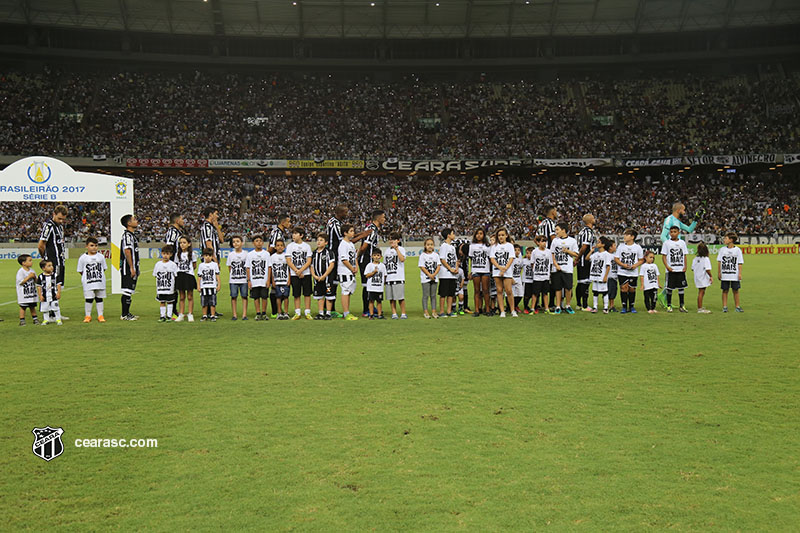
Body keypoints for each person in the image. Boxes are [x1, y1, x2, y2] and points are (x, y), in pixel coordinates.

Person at [357, 209, 386, 317]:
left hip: (368, 260)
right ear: (378, 218)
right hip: (366, 261)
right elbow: (364, 246)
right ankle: (366, 309)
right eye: (383, 217)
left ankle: (371, 307)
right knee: (366, 285)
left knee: (371, 285)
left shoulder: (373, 229)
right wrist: (358, 256)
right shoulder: (371, 230)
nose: (384, 219)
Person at [77, 236, 107, 323]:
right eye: (92, 245)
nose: (94, 247)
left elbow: (104, 268)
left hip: (99, 282)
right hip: (88, 282)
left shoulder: (101, 256)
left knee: (99, 298)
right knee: (89, 299)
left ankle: (100, 315)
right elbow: (80, 270)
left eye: (96, 245)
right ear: (86, 246)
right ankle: (88, 316)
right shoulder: (83, 258)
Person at [550, 222, 579, 314]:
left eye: (557, 229)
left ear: (563, 230)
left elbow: (576, 254)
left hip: (567, 268)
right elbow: (552, 254)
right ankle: (558, 306)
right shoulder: (555, 241)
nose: (556, 232)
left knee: (568, 288)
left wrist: (567, 251)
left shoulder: (572, 241)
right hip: (557, 268)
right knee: (558, 288)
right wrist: (556, 265)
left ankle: (568, 305)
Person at [286, 226, 313, 320]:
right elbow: (289, 261)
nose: (293, 235)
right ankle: (297, 312)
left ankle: (307, 312)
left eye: (296, 233)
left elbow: (309, 261)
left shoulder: (307, 246)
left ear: (301, 235)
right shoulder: (290, 246)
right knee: (296, 294)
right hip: (294, 274)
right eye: (293, 233)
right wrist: (297, 271)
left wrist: (301, 270)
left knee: (307, 293)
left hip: (306, 273)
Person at [326, 204, 348, 317]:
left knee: (334, 282)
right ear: (339, 212)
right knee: (330, 282)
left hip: (335, 254)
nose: (346, 214)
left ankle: (330, 307)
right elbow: (342, 239)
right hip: (332, 254)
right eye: (345, 212)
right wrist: (361, 235)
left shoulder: (336, 222)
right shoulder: (334, 223)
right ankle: (328, 308)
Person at [615, 228, 644, 314]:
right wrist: (623, 265)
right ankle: (624, 306)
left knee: (631, 289)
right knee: (624, 288)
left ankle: (631, 306)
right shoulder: (621, 246)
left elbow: (641, 260)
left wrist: (635, 265)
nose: (624, 236)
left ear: (632, 237)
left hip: (633, 272)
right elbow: (616, 258)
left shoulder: (638, 248)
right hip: (622, 272)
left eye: (626, 235)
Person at [268, 213, 293, 317]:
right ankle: (275, 311)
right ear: (283, 223)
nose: (290, 224)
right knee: (275, 288)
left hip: (279, 262)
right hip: (276, 263)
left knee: (280, 289)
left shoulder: (279, 232)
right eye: (288, 221)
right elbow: (271, 248)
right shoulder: (277, 233)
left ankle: (279, 310)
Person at [37, 205, 67, 288]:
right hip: (53, 263)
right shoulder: (49, 226)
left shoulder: (60, 227)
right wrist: (45, 258)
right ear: (54, 214)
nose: (61, 221)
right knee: (52, 288)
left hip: (60, 262)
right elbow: (41, 245)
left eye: (63, 219)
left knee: (60, 287)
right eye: (59, 218)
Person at [661, 226, 689, 312]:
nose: (673, 233)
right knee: (669, 288)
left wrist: (685, 266)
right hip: (671, 270)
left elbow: (684, 255)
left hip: (680, 269)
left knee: (681, 288)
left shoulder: (682, 243)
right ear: (669, 233)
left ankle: (682, 305)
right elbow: (664, 256)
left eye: (675, 232)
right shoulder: (666, 243)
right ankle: (669, 305)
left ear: (678, 233)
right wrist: (667, 267)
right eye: (671, 232)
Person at [536, 205, 558, 310]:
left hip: (541, 254)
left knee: (541, 278)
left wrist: (540, 248)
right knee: (552, 278)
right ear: (552, 212)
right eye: (556, 211)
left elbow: (536, 238)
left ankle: (539, 303)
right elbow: (553, 239)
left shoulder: (542, 223)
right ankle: (551, 303)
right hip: (549, 254)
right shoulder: (550, 223)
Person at [490, 227, 516, 318]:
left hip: (507, 271)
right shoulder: (494, 246)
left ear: (506, 236)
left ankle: (513, 310)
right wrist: (499, 268)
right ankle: (502, 311)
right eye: (499, 235)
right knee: (499, 290)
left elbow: (511, 258)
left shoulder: (510, 246)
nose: (501, 237)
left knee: (509, 290)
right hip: (497, 271)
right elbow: (492, 259)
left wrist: (505, 269)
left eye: (502, 235)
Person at [164, 213, 186, 318]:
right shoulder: (172, 232)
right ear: (177, 221)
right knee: (172, 288)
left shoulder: (177, 231)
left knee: (175, 288)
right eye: (182, 219)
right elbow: (169, 246)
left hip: (176, 264)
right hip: (172, 265)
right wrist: (169, 262)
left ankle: (173, 310)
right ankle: (171, 311)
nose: (183, 221)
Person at [246, 234, 271, 321]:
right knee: (256, 297)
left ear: (263, 243)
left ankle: (264, 313)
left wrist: (268, 280)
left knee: (264, 296)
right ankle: (258, 313)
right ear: (253, 243)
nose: (259, 243)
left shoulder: (266, 254)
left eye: (260, 241)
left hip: (264, 280)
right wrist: (249, 280)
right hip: (254, 280)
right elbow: (248, 268)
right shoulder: (250, 255)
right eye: (257, 241)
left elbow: (269, 267)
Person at [336, 224, 359, 321]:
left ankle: (347, 312)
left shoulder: (351, 244)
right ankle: (346, 313)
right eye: (351, 231)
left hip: (350, 271)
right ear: (345, 233)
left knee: (349, 291)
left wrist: (356, 267)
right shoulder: (343, 245)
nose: (353, 233)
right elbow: (344, 259)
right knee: (345, 291)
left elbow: (354, 257)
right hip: (344, 271)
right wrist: (352, 268)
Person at [120, 214, 140, 321]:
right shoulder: (127, 236)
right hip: (127, 268)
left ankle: (127, 313)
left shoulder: (132, 235)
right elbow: (127, 251)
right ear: (129, 223)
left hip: (132, 267)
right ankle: (124, 314)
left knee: (130, 290)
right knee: (127, 290)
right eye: (134, 219)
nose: (136, 221)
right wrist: (131, 267)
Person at [717, 232, 744, 313]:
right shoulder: (722, 250)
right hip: (725, 274)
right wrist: (719, 272)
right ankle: (725, 307)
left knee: (736, 290)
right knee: (725, 290)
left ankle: (737, 306)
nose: (724, 240)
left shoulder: (738, 250)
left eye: (726, 238)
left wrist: (739, 273)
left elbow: (739, 263)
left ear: (731, 240)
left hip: (734, 274)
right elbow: (719, 262)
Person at [311, 233, 336, 320]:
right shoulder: (313, 253)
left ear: (326, 243)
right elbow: (311, 266)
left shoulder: (329, 252)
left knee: (329, 295)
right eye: (318, 240)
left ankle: (328, 313)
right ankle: (321, 313)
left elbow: (331, 265)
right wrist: (314, 275)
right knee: (320, 296)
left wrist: (324, 275)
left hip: (327, 280)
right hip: (317, 280)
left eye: (321, 240)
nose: (319, 242)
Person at [383, 232, 407, 320]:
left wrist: (397, 249)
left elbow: (402, 259)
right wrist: (384, 278)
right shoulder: (386, 251)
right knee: (391, 298)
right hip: (389, 277)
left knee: (400, 297)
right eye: (390, 239)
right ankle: (394, 313)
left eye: (393, 239)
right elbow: (385, 264)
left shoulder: (401, 249)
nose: (391, 241)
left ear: (398, 240)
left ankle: (403, 313)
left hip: (398, 277)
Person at [575, 214, 597, 311]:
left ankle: (579, 304)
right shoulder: (588, 232)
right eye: (593, 218)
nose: (595, 219)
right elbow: (584, 246)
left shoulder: (582, 231)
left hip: (582, 260)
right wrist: (578, 258)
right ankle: (584, 305)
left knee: (580, 282)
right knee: (585, 282)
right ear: (590, 220)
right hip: (585, 260)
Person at [153, 245, 179, 322]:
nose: (165, 256)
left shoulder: (173, 265)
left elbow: (176, 275)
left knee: (170, 301)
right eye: (164, 254)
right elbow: (155, 275)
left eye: (167, 254)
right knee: (162, 301)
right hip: (161, 288)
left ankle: (169, 316)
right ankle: (162, 316)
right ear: (161, 254)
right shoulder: (158, 264)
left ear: (171, 254)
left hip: (170, 288)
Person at [587, 236, 613, 314]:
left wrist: (605, 276)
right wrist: (591, 251)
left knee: (604, 292)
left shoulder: (606, 254)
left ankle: (605, 307)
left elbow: (608, 266)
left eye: (598, 242)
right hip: (595, 275)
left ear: (603, 244)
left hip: (602, 275)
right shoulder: (595, 254)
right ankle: (595, 307)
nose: (597, 243)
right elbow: (587, 258)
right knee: (595, 292)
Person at [469, 228, 491, 317]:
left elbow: (490, 258)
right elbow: (471, 258)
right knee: (477, 290)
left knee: (486, 290)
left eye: (481, 233)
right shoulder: (472, 246)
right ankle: (477, 310)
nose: (479, 235)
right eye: (477, 233)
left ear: (484, 235)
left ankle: (487, 309)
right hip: (476, 270)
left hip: (485, 270)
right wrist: (471, 271)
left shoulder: (488, 246)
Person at [175, 236, 197, 322]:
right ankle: (181, 314)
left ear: (189, 244)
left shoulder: (192, 254)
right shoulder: (178, 254)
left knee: (190, 296)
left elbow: (194, 265)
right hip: (180, 275)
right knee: (182, 296)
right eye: (180, 243)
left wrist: (188, 271)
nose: (182, 244)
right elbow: (176, 265)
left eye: (184, 243)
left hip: (189, 275)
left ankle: (190, 314)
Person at [438, 228, 459, 318]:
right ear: (448, 235)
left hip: (452, 274)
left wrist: (456, 268)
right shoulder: (444, 246)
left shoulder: (452, 247)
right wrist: (450, 268)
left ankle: (449, 311)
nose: (454, 235)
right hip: (445, 274)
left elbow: (455, 260)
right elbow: (442, 259)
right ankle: (442, 311)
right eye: (452, 233)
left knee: (451, 293)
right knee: (443, 293)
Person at [226, 236, 249, 321]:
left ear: (242, 243)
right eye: (234, 242)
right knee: (233, 297)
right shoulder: (231, 255)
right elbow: (229, 267)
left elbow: (248, 267)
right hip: (233, 280)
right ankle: (234, 314)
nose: (235, 243)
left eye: (237, 241)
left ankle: (244, 314)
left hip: (244, 279)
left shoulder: (246, 254)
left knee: (244, 296)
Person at [418, 237, 440, 319]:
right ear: (425, 246)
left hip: (434, 278)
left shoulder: (436, 255)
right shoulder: (422, 256)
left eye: (431, 244)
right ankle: (426, 312)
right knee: (425, 295)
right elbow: (422, 267)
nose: (430, 246)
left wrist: (434, 274)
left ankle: (434, 311)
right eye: (428, 245)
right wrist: (429, 275)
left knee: (433, 295)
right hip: (425, 279)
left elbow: (438, 266)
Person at [530, 235, 552, 315]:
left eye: (545, 241)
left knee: (545, 293)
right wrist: (536, 271)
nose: (544, 243)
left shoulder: (548, 252)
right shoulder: (535, 251)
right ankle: (532, 308)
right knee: (535, 293)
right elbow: (532, 263)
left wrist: (549, 274)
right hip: (537, 277)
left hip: (545, 276)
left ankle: (546, 308)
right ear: (538, 242)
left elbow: (550, 263)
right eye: (542, 241)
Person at [37, 259, 63, 325]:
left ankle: (58, 319)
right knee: (45, 309)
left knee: (56, 308)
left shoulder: (55, 275)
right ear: (43, 268)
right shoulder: (40, 277)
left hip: (54, 295)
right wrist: (40, 295)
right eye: (49, 266)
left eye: (51, 265)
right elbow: (39, 287)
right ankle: (46, 319)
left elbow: (58, 285)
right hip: (45, 296)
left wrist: (59, 293)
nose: (51, 267)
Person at [197, 248, 220, 321]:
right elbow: (199, 277)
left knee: (212, 302)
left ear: (212, 256)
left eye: (209, 255)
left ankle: (212, 315)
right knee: (204, 302)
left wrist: (219, 284)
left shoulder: (214, 265)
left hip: (212, 286)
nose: (208, 257)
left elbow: (217, 275)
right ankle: (204, 315)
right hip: (204, 286)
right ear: (203, 256)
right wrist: (198, 286)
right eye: (206, 255)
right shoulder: (201, 265)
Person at [16, 254, 39, 326]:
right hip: (24, 293)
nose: (31, 262)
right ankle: (22, 320)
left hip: (31, 293)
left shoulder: (32, 270)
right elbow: (20, 282)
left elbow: (36, 281)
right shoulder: (21, 272)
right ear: (23, 263)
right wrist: (29, 277)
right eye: (29, 260)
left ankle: (35, 319)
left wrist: (34, 277)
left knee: (32, 306)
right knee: (23, 307)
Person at [270, 239, 291, 320]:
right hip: (277, 280)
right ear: (275, 247)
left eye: (281, 245)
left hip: (285, 280)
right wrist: (272, 281)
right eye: (278, 245)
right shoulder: (272, 257)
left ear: (284, 247)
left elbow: (289, 269)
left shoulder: (286, 256)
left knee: (286, 297)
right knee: (278, 297)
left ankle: (286, 312)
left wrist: (289, 279)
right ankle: (279, 313)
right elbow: (271, 270)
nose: (279, 247)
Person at [364, 249, 387, 319]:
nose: (376, 257)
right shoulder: (369, 265)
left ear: (380, 256)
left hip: (379, 287)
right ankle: (371, 314)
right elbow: (366, 275)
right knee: (371, 301)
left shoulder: (382, 266)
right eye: (374, 255)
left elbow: (385, 275)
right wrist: (373, 272)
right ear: (372, 256)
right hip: (371, 287)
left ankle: (380, 314)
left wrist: (384, 283)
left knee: (379, 301)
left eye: (378, 255)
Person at [692, 242, 713, 314]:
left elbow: (692, 268)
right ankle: (700, 308)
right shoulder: (706, 259)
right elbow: (707, 269)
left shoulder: (695, 258)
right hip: (702, 277)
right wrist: (711, 276)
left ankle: (700, 306)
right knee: (701, 292)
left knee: (701, 291)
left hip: (697, 277)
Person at [510, 244, 524, 315]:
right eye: (515, 250)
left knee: (520, 294)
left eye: (518, 250)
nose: (517, 252)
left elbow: (521, 267)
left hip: (518, 277)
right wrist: (511, 278)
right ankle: (510, 307)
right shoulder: (511, 259)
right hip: (511, 278)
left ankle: (515, 305)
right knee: (510, 294)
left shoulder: (520, 259)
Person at [606, 240, 619, 313]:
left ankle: (611, 305)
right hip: (609, 276)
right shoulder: (606, 255)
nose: (615, 246)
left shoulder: (615, 255)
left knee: (614, 291)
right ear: (610, 247)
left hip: (614, 276)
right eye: (614, 245)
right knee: (610, 292)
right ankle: (610, 306)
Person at [521, 245, 534, 314]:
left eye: (530, 253)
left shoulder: (535, 261)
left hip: (534, 280)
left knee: (535, 295)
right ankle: (526, 307)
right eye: (527, 253)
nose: (529, 255)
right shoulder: (523, 261)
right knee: (526, 295)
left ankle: (534, 307)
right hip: (526, 281)